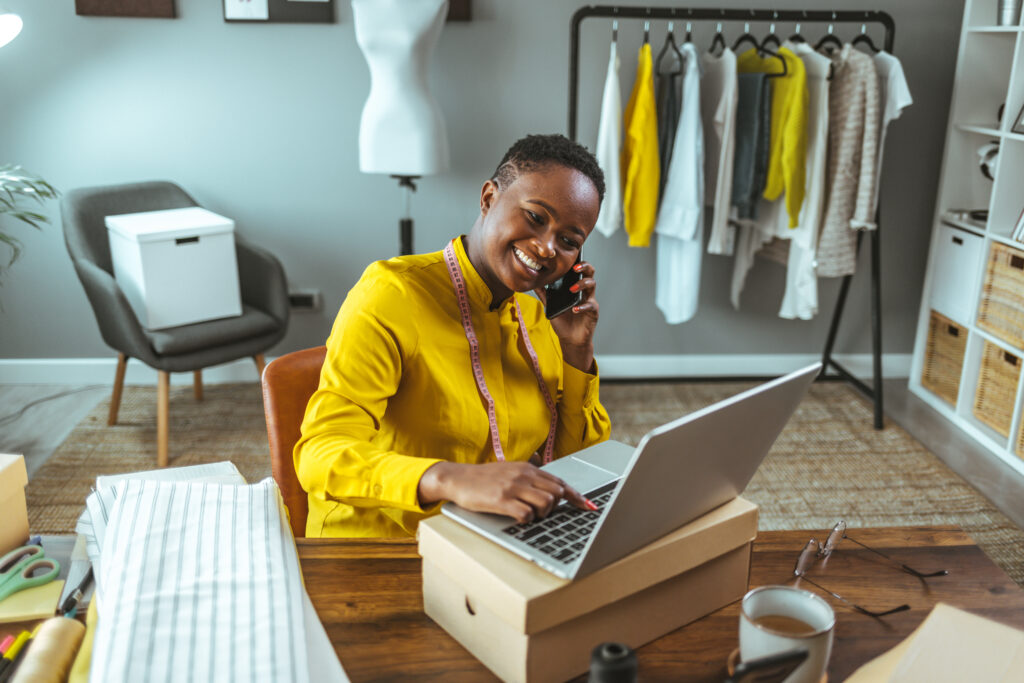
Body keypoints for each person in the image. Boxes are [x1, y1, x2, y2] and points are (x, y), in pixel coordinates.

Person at [295, 134, 613, 538]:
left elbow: (582, 470)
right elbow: (319, 455)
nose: (548, 248)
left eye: (569, 241)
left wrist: (575, 352)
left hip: (496, 537)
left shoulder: (540, 317)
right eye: (535, 217)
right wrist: (449, 479)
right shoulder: (391, 295)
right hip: (384, 546)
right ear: (488, 198)